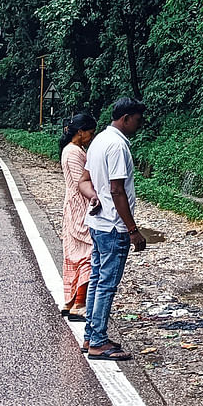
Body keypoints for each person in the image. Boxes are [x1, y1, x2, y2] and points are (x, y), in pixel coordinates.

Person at [83, 97, 148, 361]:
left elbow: (84, 180)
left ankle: (91, 334)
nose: (139, 124)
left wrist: (92, 196)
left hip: (98, 222)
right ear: (126, 118)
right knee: (107, 284)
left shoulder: (98, 140)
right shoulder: (118, 146)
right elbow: (117, 189)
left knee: (97, 279)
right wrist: (132, 229)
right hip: (113, 226)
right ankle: (98, 341)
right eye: (137, 119)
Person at [59, 112, 98, 320]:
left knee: (76, 252)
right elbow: (79, 182)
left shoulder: (74, 150)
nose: (91, 137)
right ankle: (79, 302)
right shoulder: (73, 152)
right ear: (80, 132)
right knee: (88, 251)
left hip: (75, 205)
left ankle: (71, 300)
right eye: (90, 133)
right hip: (79, 206)